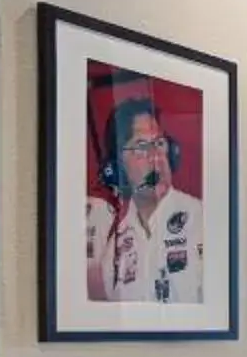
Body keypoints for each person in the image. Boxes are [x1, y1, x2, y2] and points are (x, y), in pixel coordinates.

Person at [85, 93, 203, 302]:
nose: (155, 157)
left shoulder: (201, 219)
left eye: (159, 144)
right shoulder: (115, 245)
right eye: (141, 147)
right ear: (118, 166)